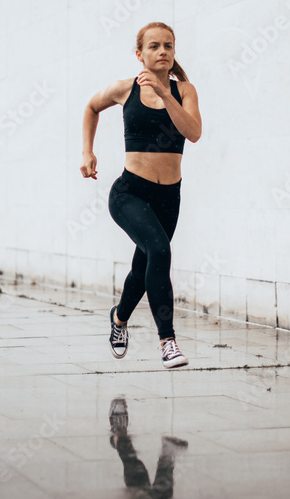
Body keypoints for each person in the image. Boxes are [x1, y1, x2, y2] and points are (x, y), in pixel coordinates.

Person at [80, 21, 202, 369]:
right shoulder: (124, 89)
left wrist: (166, 94)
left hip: (169, 197)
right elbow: (91, 107)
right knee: (160, 251)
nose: (162, 51)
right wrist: (87, 152)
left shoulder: (185, 91)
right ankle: (168, 342)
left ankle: (119, 319)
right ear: (140, 54)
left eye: (168, 46)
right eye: (154, 46)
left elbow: (193, 133)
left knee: (144, 267)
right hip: (129, 193)